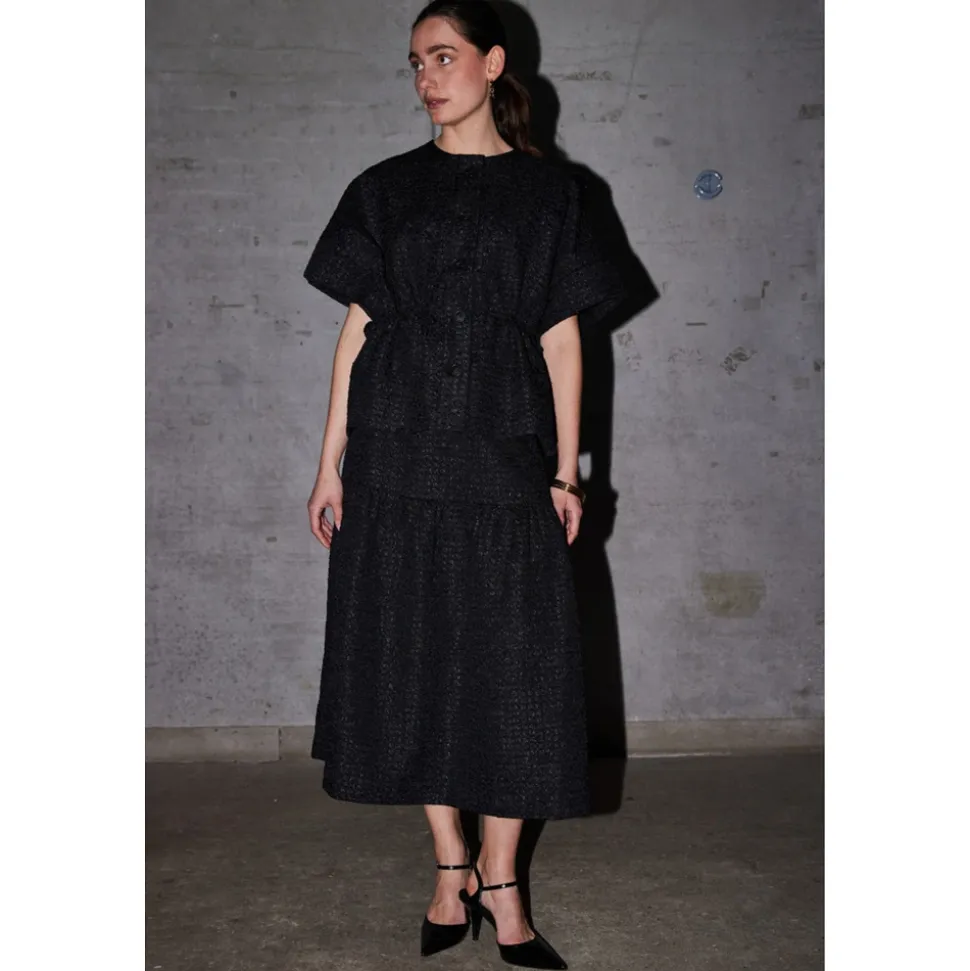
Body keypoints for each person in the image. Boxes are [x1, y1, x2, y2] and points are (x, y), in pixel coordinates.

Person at [303, 2, 625, 967]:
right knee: (415, 664)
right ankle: (452, 869)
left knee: (517, 672)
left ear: (492, 63)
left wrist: (565, 470)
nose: (426, 78)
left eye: (443, 57)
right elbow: (356, 331)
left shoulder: (553, 195)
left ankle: (503, 877)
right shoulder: (383, 189)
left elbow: (563, 341)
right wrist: (329, 462)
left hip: (501, 456)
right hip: (394, 458)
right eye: (414, 63)